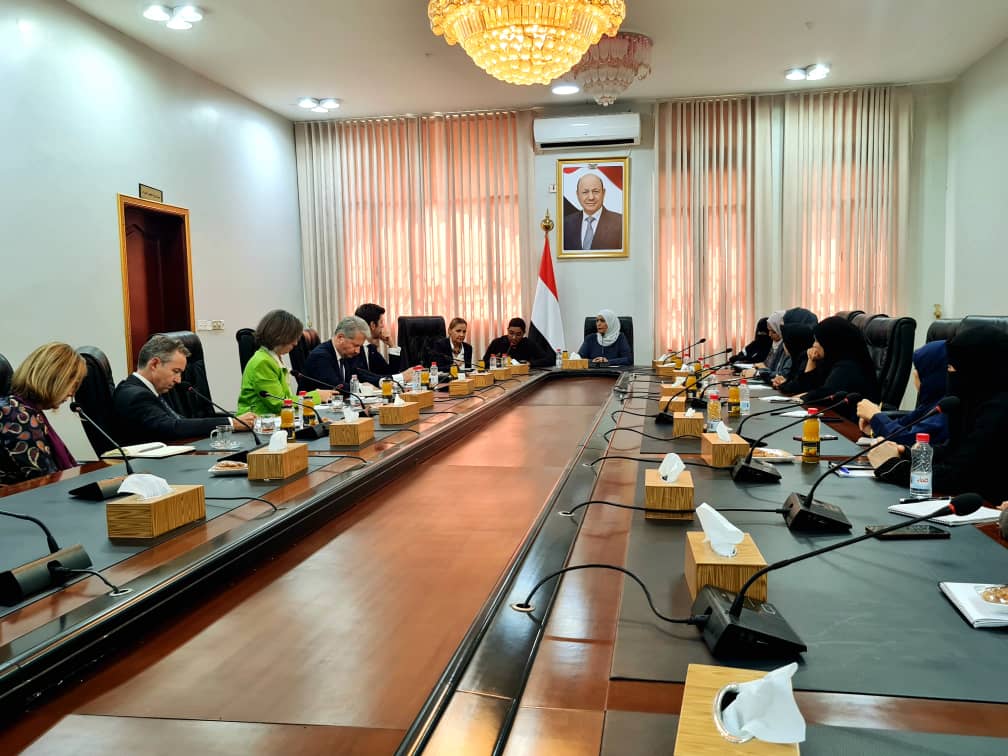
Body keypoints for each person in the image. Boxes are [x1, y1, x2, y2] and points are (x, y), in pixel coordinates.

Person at [876, 326, 1008, 504]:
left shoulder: (999, 411)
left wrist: (894, 467)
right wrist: (906, 453)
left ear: (978, 368)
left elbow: (960, 476)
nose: (949, 374)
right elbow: (954, 450)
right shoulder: (973, 400)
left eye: (952, 368)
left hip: (988, 510)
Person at [115, 335, 257, 445]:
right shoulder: (135, 395)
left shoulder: (146, 390)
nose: (178, 380)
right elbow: (172, 427)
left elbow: (180, 421)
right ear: (154, 364)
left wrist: (232, 420)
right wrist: (230, 423)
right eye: (175, 371)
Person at [0, 343, 86, 484]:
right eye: (73, 385)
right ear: (53, 379)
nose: (72, 394)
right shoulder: (16, 415)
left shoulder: (27, 410)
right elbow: (43, 479)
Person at [856, 340, 949, 446]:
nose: (914, 373)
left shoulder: (946, 410)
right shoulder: (931, 403)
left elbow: (908, 441)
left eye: (918, 368)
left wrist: (874, 415)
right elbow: (904, 425)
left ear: (931, 375)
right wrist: (874, 428)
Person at [237, 310, 326, 416]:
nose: (296, 343)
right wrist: (316, 396)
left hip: (277, 420)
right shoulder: (263, 362)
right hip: (259, 424)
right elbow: (279, 404)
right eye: (293, 338)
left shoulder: (273, 358)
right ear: (280, 335)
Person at [797, 316, 881, 418]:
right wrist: (811, 361)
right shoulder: (831, 362)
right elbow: (806, 387)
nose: (814, 345)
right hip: (835, 417)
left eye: (818, 341)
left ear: (831, 342)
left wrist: (801, 397)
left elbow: (824, 396)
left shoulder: (848, 367)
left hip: (851, 426)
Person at [300, 315, 379, 391]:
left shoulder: (345, 354)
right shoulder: (320, 356)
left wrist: (381, 381)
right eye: (355, 345)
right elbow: (336, 386)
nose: (357, 351)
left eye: (360, 347)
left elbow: (360, 375)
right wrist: (363, 388)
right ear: (340, 338)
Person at [562, 173, 623, 251]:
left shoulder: (621, 222)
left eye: (595, 191)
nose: (591, 197)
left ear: (603, 193)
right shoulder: (566, 224)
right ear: (577, 195)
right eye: (585, 192)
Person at [482, 317, 553, 368]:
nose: (514, 337)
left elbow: (549, 360)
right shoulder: (497, 343)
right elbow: (483, 363)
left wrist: (530, 363)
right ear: (507, 330)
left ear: (524, 333)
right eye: (511, 333)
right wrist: (496, 362)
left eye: (518, 334)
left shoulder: (528, 343)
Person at [773, 323, 817, 395]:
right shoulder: (797, 359)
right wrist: (785, 381)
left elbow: (797, 387)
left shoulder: (807, 359)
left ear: (792, 343)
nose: (783, 345)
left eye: (785, 341)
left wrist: (784, 385)